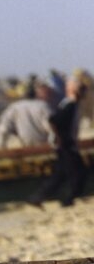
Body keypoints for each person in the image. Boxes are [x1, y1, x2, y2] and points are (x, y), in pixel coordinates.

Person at [30, 76, 90, 207]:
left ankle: (38, 198)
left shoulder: (71, 104)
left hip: (65, 145)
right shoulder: (70, 105)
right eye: (82, 89)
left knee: (60, 175)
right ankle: (67, 200)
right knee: (79, 173)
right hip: (66, 146)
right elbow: (54, 121)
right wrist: (60, 138)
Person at [0, 82, 54, 149]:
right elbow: (52, 127)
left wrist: (0, 146)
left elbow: (3, 128)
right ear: (35, 94)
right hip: (45, 146)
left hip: (25, 146)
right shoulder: (43, 106)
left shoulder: (14, 107)